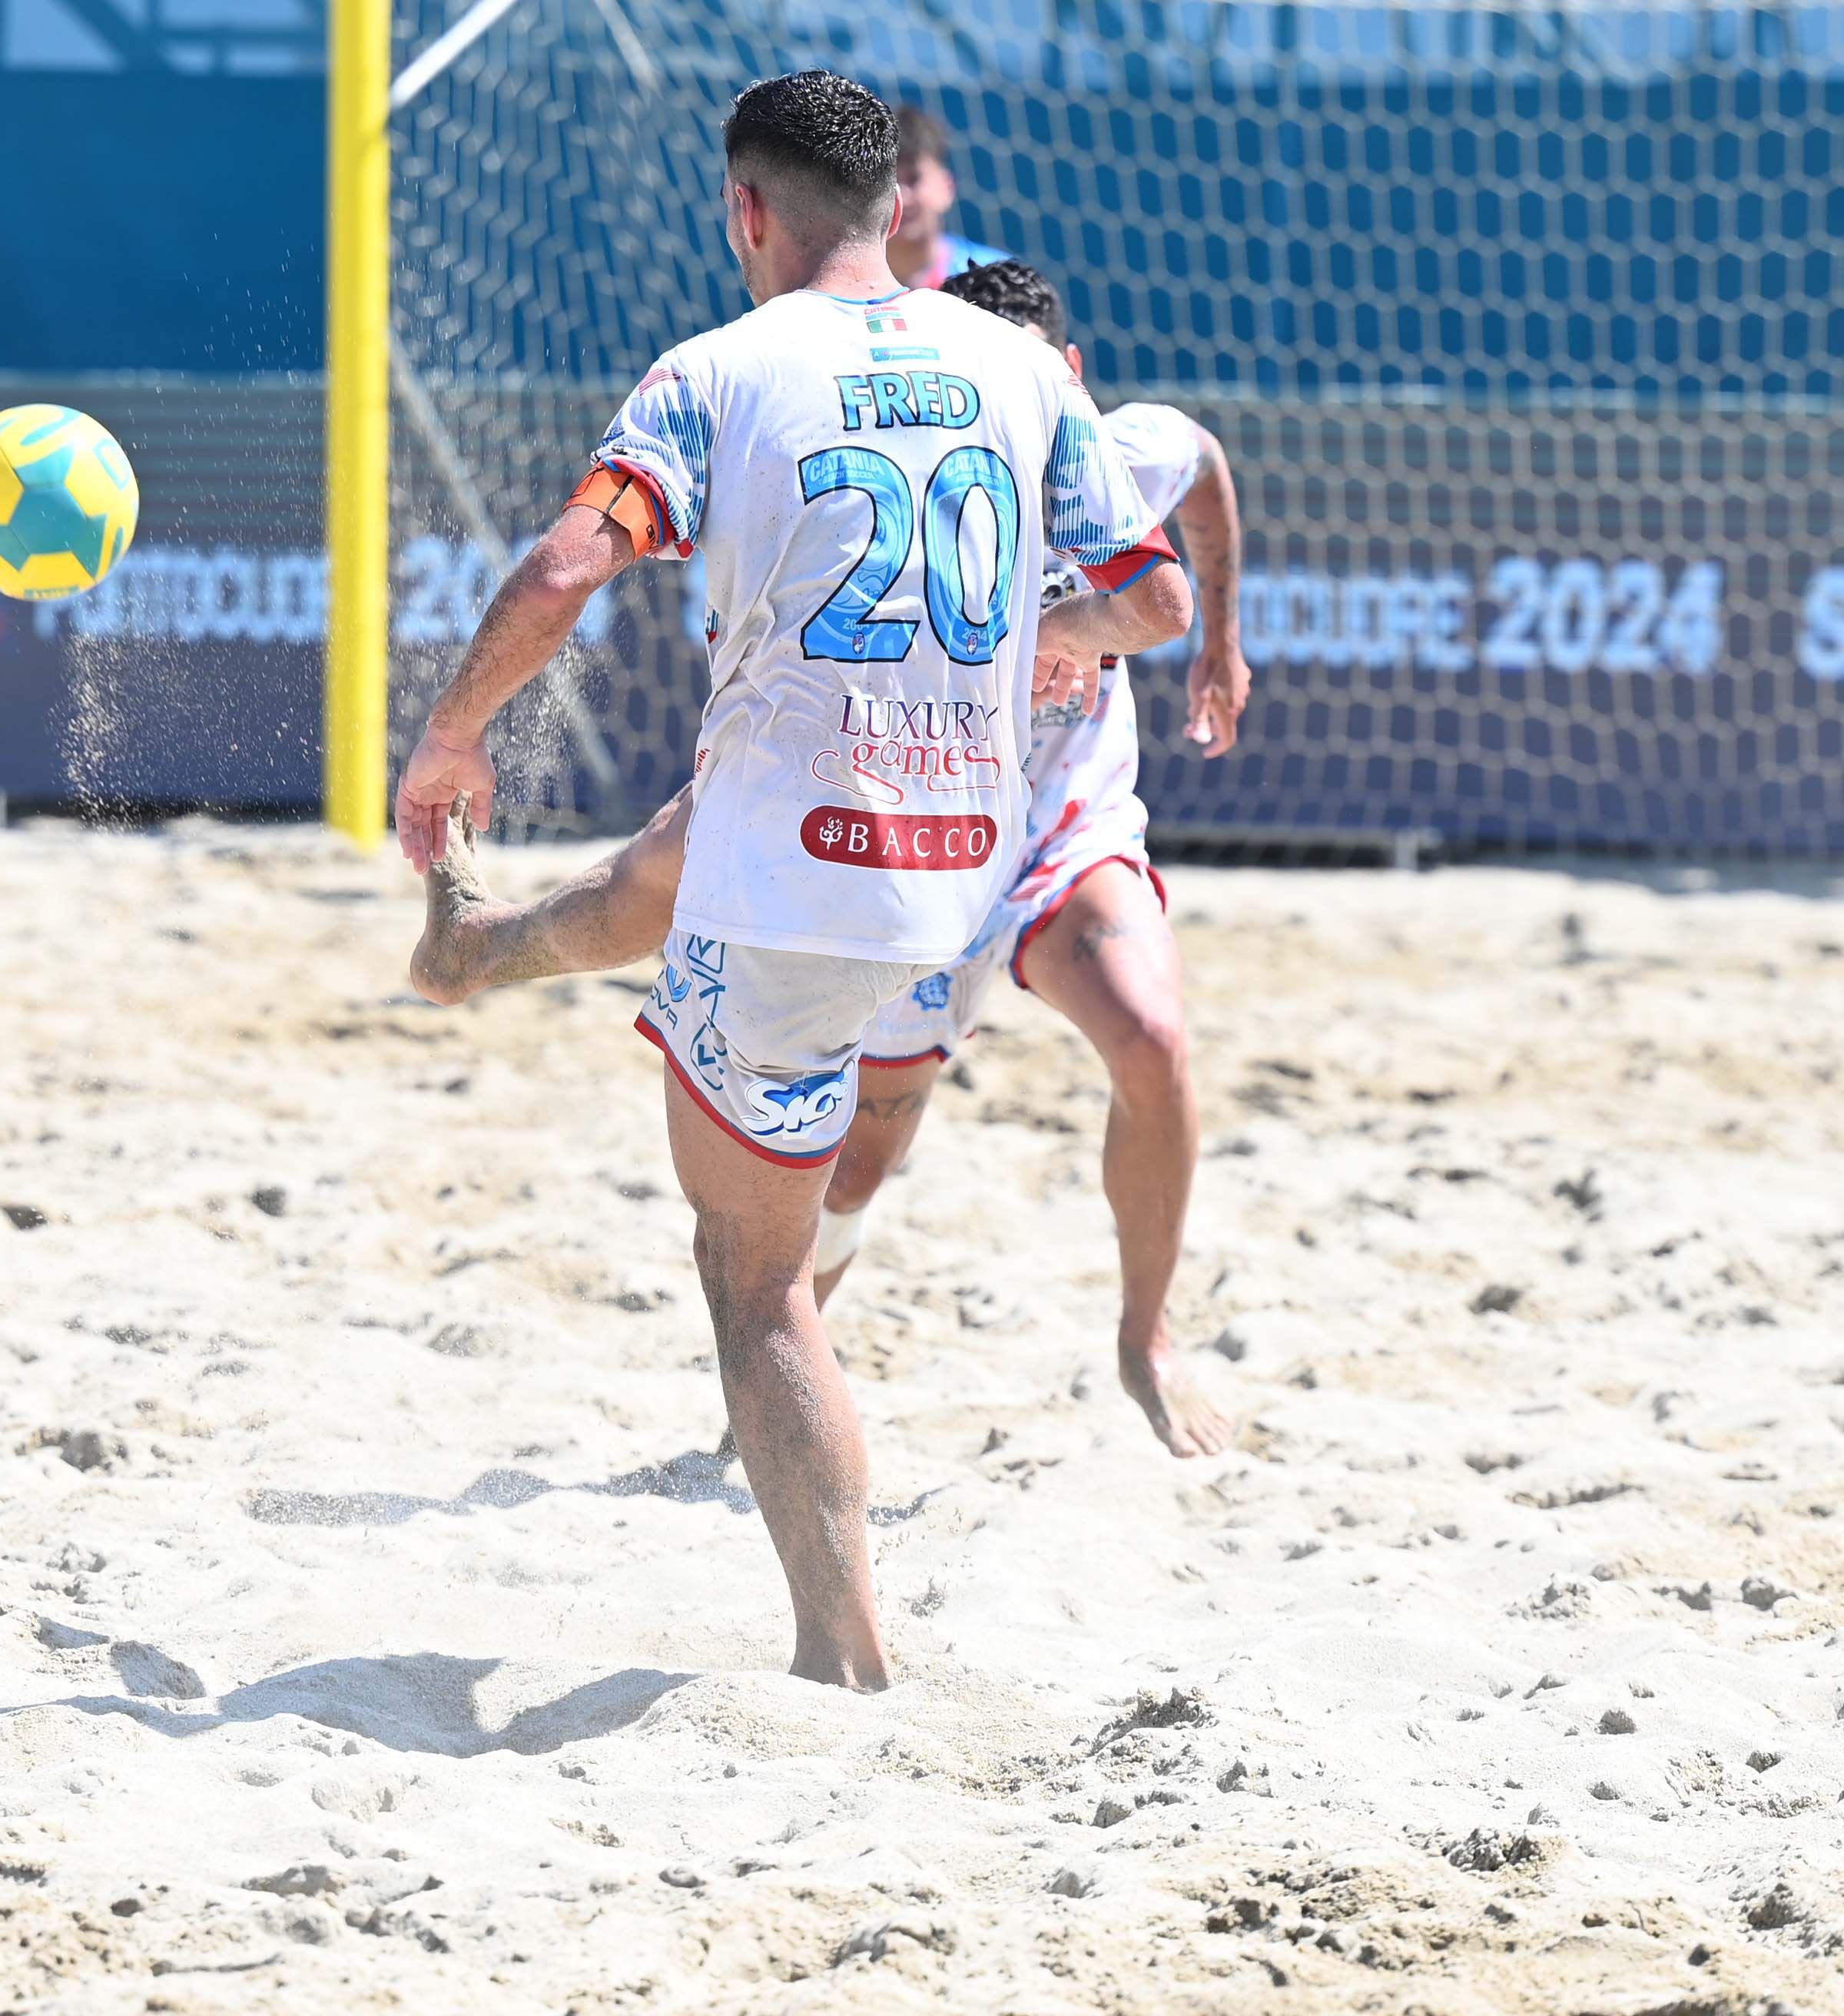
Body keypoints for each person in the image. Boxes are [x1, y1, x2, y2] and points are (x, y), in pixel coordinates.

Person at [393, 73, 1190, 1690]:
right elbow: (1153, 595)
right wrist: (1037, 639)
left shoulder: (716, 370)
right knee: (699, 844)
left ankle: (846, 1658)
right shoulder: (1023, 369)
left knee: (755, 1282)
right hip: (962, 866)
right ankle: (483, 946)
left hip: (805, 887)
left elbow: (563, 566)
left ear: (745, 211)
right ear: (901, 207)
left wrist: (451, 740)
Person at [409, 258, 1253, 1460]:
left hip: (1056, 832)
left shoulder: (1115, 459)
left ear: (1061, 380)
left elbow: (1203, 468)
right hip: (907, 835)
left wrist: (1219, 640)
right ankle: (773, 1388)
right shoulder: (875, 472)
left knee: (1154, 1038)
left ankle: (1145, 1343)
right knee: (856, 1153)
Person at [887, 101, 1008, 292]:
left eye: (914, 179)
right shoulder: (845, 284)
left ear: (947, 187)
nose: (902, 197)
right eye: (887, 182)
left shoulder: (997, 280)